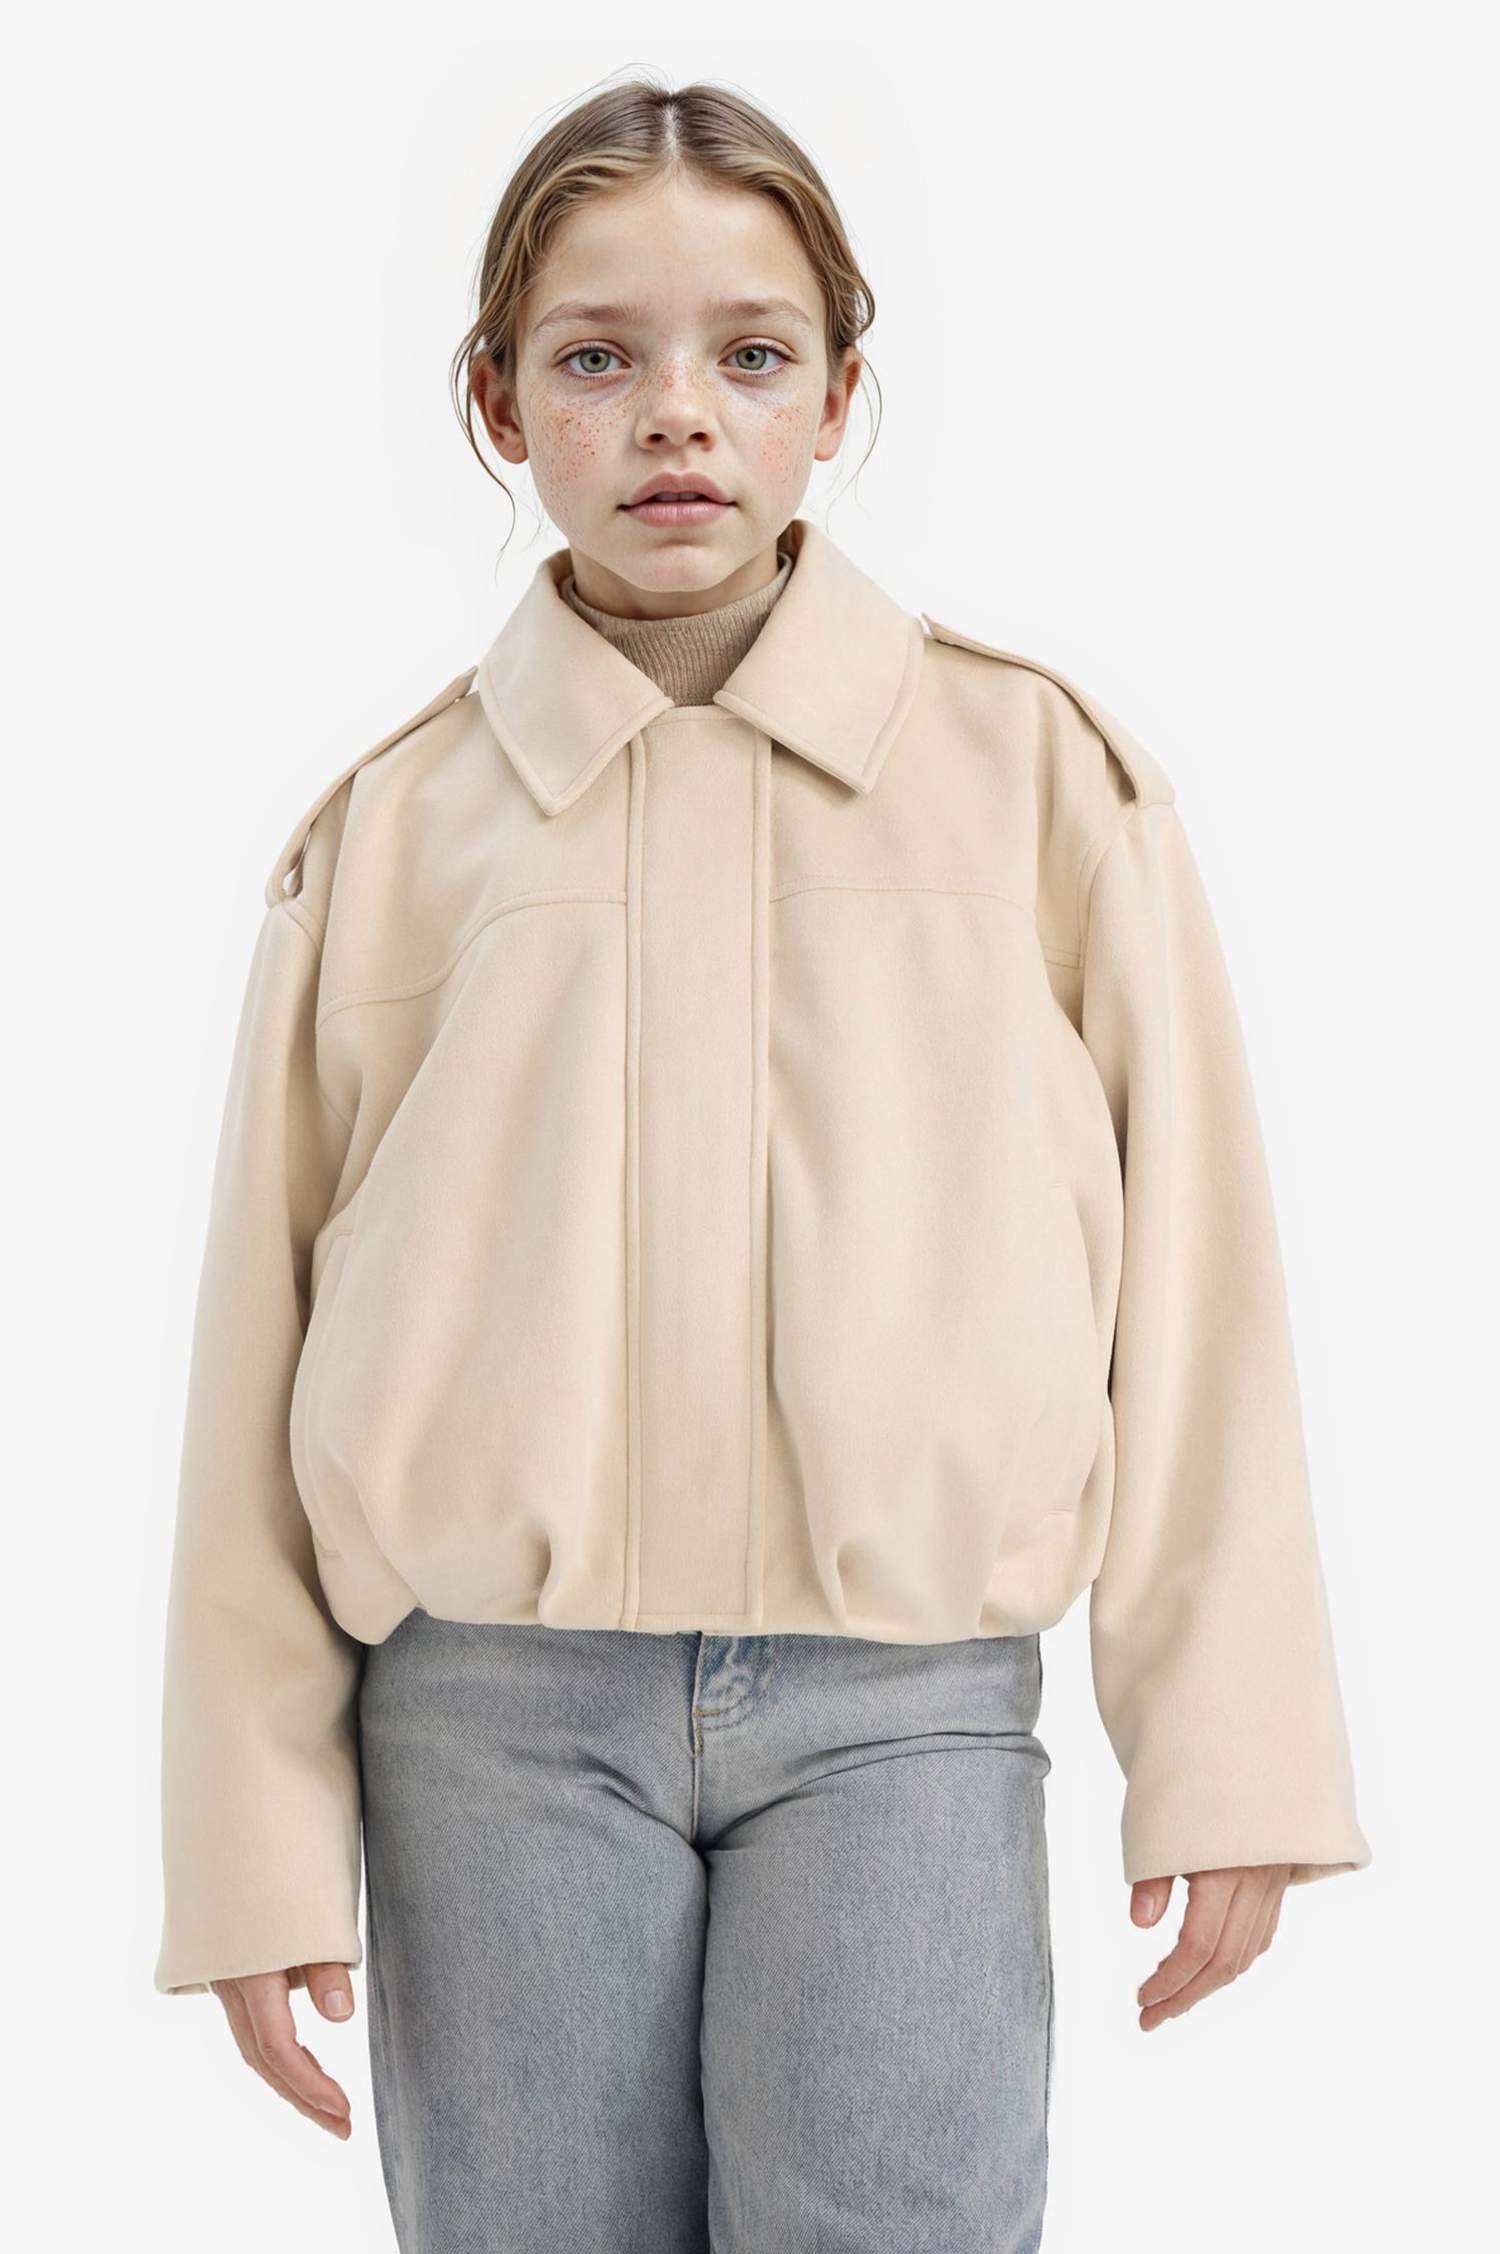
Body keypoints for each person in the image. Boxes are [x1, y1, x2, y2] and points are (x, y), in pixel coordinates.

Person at [153, 74, 1372, 2254]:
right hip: (493, 1717)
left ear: (838, 397)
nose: (675, 416)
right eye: (594, 356)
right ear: (497, 403)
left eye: (751, 351)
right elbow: (262, 1337)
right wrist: (248, 1843)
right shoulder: (396, 832)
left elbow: (1199, 1291)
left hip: (904, 1707)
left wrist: (1231, 1746)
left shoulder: (1039, 779)